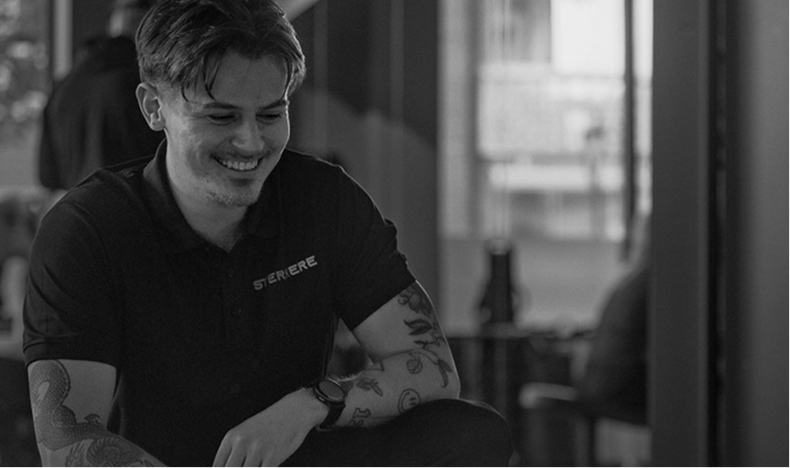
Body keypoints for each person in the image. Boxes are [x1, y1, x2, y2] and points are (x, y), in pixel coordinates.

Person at [23, 1, 513, 466]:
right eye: (221, 116)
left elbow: (433, 366)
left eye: (271, 114)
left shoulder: (323, 199)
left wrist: (309, 404)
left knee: (470, 430)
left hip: (294, 454)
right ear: (154, 108)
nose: (251, 142)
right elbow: (67, 441)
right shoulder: (86, 228)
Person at [37, 0, 163, 192]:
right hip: (135, 214)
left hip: (78, 213)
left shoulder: (63, 87)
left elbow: (48, 177)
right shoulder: (143, 86)